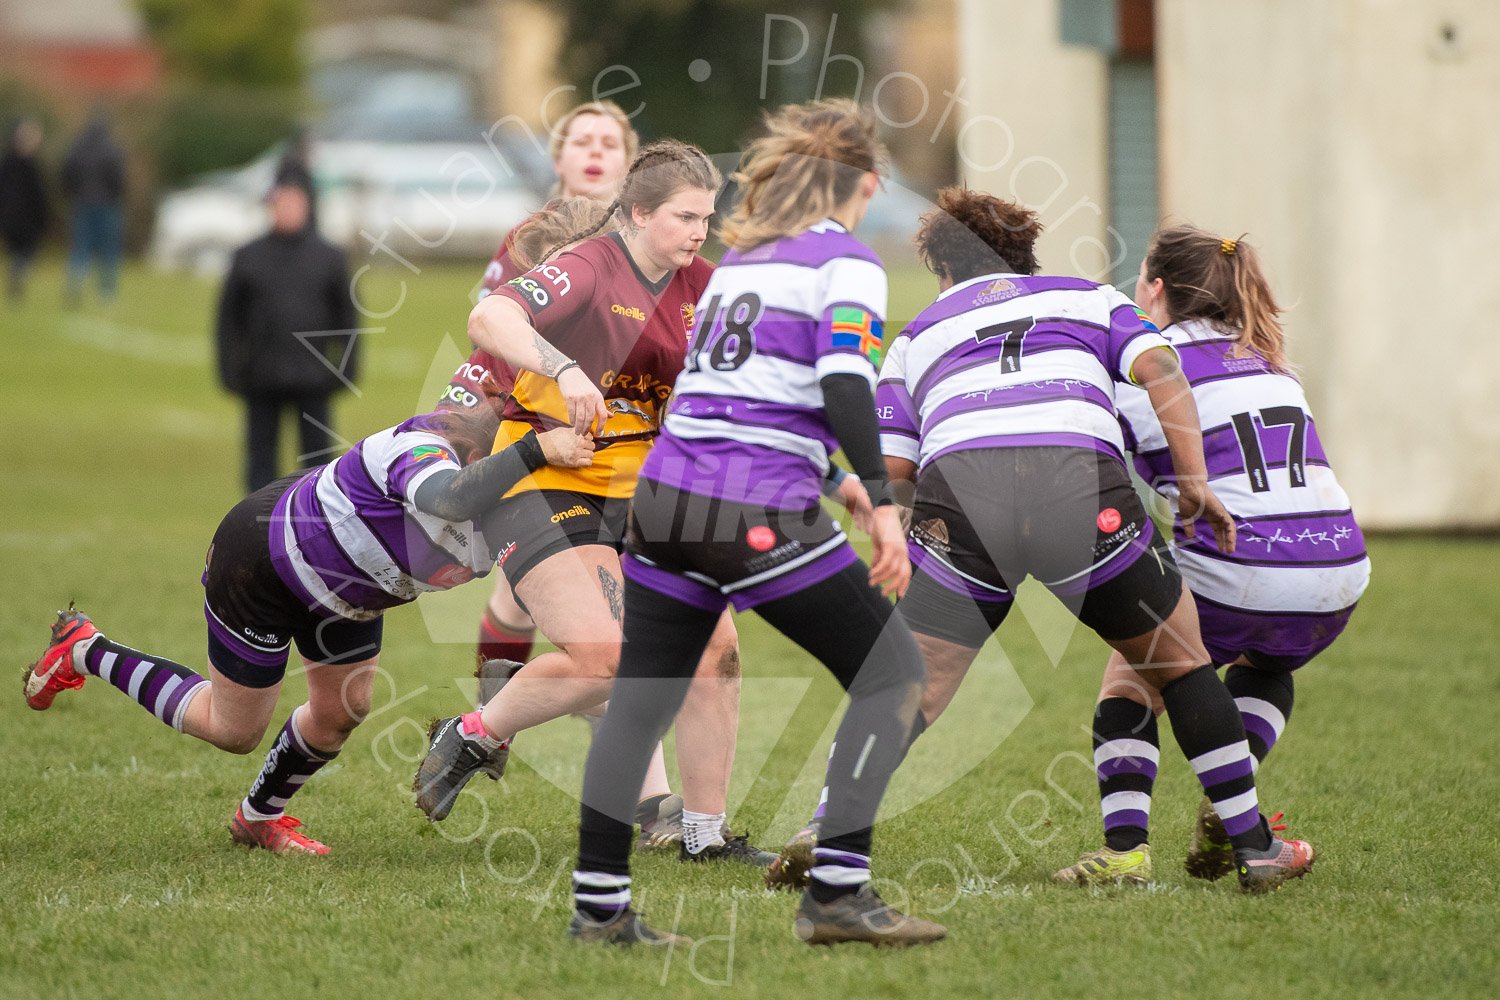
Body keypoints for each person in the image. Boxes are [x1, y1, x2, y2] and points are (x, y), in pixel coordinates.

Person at [774, 187, 1314, 897]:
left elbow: (896, 470)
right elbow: (1162, 370)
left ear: (942, 268)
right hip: (1078, 488)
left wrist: (904, 535)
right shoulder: (1090, 299)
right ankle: (1254, 847)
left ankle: (828, 823)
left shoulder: (917, 334)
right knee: (1181, 665)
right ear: (1028, 253)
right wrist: (1191, 481)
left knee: (908, 683)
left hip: (962, 495)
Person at [566, 99, 944, 948]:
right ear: (866, 184)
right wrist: (882, 501)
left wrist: (837, 480)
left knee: (639, 705)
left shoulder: (742, 259)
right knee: (893, 676)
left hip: (665, 500)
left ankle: (599, 911)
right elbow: (844, 380)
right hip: (750, 506)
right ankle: (838, 895)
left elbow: (736, 395)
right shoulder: (846, 261)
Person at [22, 380, 595, 854]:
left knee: (343, 711)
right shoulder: (422, 447)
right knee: (234, 730)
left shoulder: (525, 503)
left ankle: (257, 819)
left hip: (350, 597)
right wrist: (534, 451)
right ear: (484, 455)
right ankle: (84, 647)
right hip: (265, 561)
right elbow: (447, 497)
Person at [414, 139, 774, 867]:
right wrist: (564, 368)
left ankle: (704, 835)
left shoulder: (707, 286)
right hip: (545, 484)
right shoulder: (588, 265)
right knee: (605, 659)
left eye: (707, 217)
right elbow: (491, 318)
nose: (700, 232)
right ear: (637, 213)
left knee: (719, 651)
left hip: (647, 496)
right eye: (684, 217)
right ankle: (474, 733)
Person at [1056, 226, 1369, 886]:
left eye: (1140, 280)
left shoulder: (1151, 364)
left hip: (1238, 564)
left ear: (1156, 289)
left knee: (1131, 681)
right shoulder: (1270, 362)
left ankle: (1127, 851)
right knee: (1268, 662)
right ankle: (1233, 804)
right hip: (1338, 569)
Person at [462, 101, 638, 681]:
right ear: (558, 158)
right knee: (520, 598)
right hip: (538, 428)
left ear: (631, 163)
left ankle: (596, 700)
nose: (595, 152)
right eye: (582, 141)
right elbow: (490, 335)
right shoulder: (529, 239)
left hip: (626, 435)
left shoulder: (646, 242)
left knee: (621, 593)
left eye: (609, 143)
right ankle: (495, 712)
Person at [216, 167, 359, 494]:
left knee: (319, 464)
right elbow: (228, 319)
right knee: (260, 461)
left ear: (307, 205)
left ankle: (319, 518)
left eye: (294, 202)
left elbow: (347, 318)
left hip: (313, 378)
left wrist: (346, 368)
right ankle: (259, 519)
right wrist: (229, 369)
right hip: (261, 377)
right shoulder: (248, 257)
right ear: (271, 205)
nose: (288, 209)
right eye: (282, 202)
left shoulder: (329, 257)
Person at [60, 111, 125, 304]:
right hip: (107, 204)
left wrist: (72, 194)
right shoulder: (111, 150)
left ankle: (75, 280)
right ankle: (106, 293)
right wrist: (115, 195)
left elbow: (66, 174)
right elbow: (118, 179)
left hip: (82, 203)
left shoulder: (78, 150)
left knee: (81, 246)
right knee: (109, 249)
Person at [0, 118, 50, 302]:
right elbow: (38, 194)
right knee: (26, 251)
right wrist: (43, 218)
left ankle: (16, 273)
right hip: (25, 218)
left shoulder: (8, 162)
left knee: (19, 251)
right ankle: (17, 273)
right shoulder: (28, 165)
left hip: (11, 217)